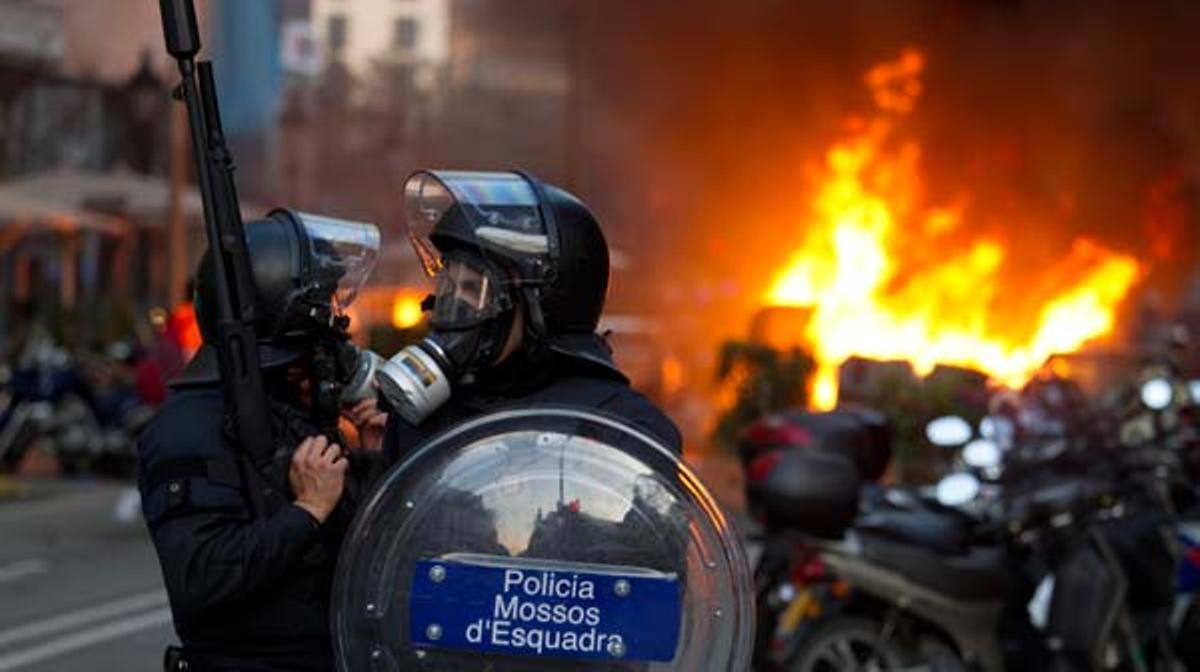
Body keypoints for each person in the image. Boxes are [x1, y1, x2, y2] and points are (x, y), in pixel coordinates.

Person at [137, 210, 386, 671]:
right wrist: (305, 513)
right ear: (282, 313)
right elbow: (201, 578)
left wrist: (371, 460)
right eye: (325, 303)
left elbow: (351, 553)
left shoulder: (290, 406)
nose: (336, 319)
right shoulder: (186, 429)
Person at [381, 169, 681, 463]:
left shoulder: (623, 428)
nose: (454, 305)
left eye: (474, 288)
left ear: (542, 302)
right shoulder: (429, 416)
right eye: (448, 287)